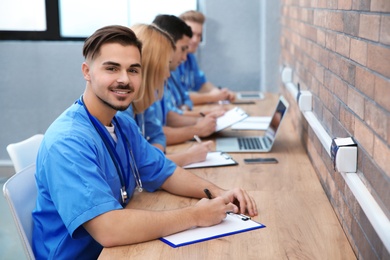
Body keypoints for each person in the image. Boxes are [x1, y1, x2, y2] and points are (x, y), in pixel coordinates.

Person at [32, 25, 258, 259]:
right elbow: (109, 229)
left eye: (133, 70)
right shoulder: (68, 142)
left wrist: (220, 194)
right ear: (87, 72)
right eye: (112, 68)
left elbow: (164, 171)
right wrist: (195, 215)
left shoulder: (122, 124)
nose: (124, 79)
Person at [122, 23, 212, 167]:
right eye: (165, 65)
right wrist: (188, 156)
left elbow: (157, 135)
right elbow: (139, 166)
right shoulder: (121, 109)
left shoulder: (143, 101)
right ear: (152, 67)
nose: (168, 74)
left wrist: (154, 158)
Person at [152, 14, 224, 145]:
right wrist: (197, 128)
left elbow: (169, 115)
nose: (185, 57)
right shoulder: (150, 81)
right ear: (168, 45)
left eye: (199, 35)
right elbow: (155, 135)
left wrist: (202, 121)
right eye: (183, 49)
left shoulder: (170, 70)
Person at [179, 10, 236, 105]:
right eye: (191, 34)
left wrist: (220, 93)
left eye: (199, 35)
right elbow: (179, 99)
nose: (195, 40)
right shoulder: (171, 62)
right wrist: (212, 97)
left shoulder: (190, 57)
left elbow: (201, 84)